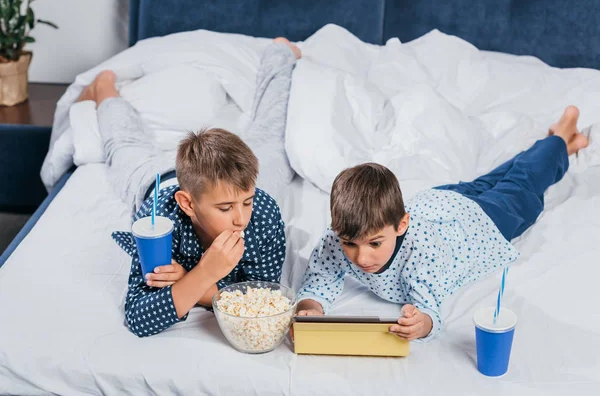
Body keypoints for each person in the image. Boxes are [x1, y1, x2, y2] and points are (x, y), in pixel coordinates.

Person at [295, 106, 589, 341]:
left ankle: (561, 137)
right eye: (350, 244)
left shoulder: (420, 256)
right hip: (440, 202)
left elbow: (430, 311)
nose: (361, 258)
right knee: (494, 180)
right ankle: (557, 146)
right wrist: (309, 308)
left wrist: (420, 325)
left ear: (401, 225)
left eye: (374, 243)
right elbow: (321, 277)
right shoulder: (339, 235)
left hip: (479, 222)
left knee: (522, 185)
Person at [76, 38, 301, 337]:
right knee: (123, 146)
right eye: (225, 208)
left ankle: (281, 53)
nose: (240, 219)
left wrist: (192, 281)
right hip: (155, 177)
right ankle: (104, 88)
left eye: (245, 203)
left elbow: (263, 302)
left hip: (230, 181)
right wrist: (206, 275)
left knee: (273, 137)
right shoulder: (157, 224)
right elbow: (139, 319)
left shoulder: (261, 212)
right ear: (187, 204)